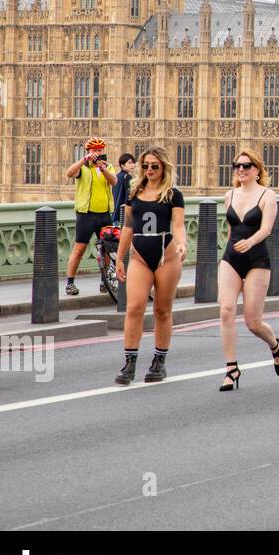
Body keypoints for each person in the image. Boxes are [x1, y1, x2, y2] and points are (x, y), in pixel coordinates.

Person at [113, 147, 186, 384]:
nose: (150, 170)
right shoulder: (134, 192)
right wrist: (119, 257)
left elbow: (177, 224)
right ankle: (129, 362)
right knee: (134, 307)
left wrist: (182, 244)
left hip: (166, 256)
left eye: (154, 166)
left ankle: (159, 362)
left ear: (163, 167)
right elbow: (128, 226)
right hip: (139, 257)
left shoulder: (173, 194)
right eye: (145, 165)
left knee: (162, 311)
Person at [216, 149, 279, 392]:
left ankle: (276, 346)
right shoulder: (229, 195)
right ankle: (231, 368)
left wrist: (251, 242)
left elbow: (266, 229)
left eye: (246, 166)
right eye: (237, 166)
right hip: (231, 258)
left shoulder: (268, 195)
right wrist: (229, 250)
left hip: (257, 258)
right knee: (225, 310)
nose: (241, 170)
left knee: (253, 322)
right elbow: (229, 229)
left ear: (257, 169)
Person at [65, 137, 117, 296]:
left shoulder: (108, 166)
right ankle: (70, 282)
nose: (97, 153)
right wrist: (83, 160)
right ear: (88, 152)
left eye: (100, 150)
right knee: (79, 249)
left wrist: (104, 170)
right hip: (86, 215)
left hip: (104, 214)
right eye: (94, 150)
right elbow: (69, 173)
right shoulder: (83, 168)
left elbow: (114, 182)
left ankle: (105, 280)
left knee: (107, 249)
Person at [111, 152, 136, 226]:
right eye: (129, 163)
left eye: (133, 163)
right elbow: (128, 197)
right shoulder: (127, 177)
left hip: (115, 214)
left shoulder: (116, 177)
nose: (132, 165)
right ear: (122, 165)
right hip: (123, 216)